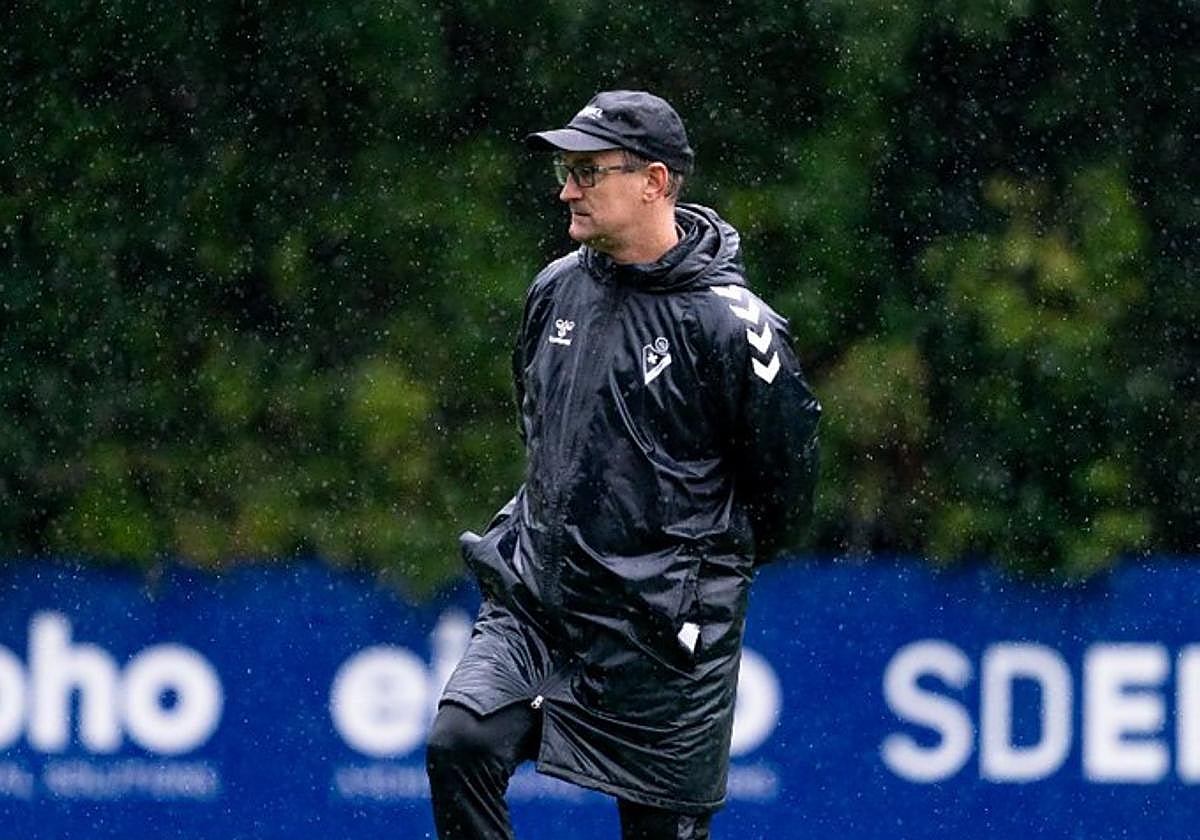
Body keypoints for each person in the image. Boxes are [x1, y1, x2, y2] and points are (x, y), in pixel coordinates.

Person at [426, 90, 821, 840]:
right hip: (537, 601)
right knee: (460, 743)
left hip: (664, 639)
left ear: (655, 182)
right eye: (566, 170)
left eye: (587, 171)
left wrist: (686, 577)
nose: (565, 188)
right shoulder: (555, 287)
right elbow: (540, 427)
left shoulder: (734, 325)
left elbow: (786, 484)